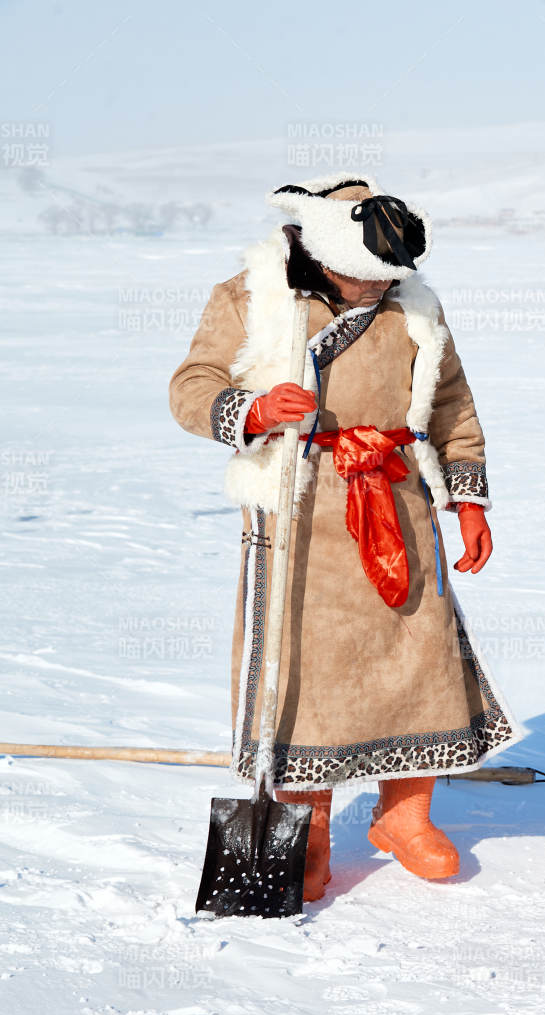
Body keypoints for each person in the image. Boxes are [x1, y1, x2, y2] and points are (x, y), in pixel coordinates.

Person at [170, 173, 518, 900]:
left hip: (398, 495)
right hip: (301, 508)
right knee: (311, 670)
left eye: (389, 275)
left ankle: (405, 816)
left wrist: (469, 501)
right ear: (327, 253)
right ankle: (312, 827)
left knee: (419, 655)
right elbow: (191, 384)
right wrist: (253, 408)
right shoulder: (253, 296)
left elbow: (452, 404)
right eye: (366, 274)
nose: (379, 287)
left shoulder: (414, 307)